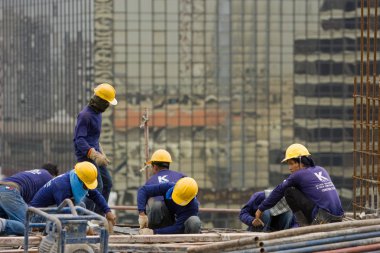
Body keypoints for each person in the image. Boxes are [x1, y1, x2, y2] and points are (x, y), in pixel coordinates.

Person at [254, 143, 344, 227]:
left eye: (292, 163)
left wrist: (260, 209)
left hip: (323, 218)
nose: (289, 168)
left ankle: (303, 225)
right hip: (339, 217)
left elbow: (279, 190)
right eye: (288, 164)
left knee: (288, 191)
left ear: (301, 161)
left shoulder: (298, 175)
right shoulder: (321, 169)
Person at [30, 161, 116, 229]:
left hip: (51, 210)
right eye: (86, 185)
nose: (87, 188)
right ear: (80, 179)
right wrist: (84, 227)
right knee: (78, 208)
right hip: (38, 216)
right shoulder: (62, 186)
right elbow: (65, 212)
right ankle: (47, 232)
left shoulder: (74, 178)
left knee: (80, 206)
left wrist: (107, 211)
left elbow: (95, 195)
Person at [73, 83, 117, 212]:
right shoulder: (85, 115)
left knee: (107, 183)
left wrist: (102, 153)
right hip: (85, 156)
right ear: (102, 102)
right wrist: (94, 154)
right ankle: (86, 216)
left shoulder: (98, 114)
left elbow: (94, 137)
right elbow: (79, 140)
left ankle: (99, 215)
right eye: (107, 102)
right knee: (96, 187)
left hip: (95, 154)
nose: (108, 105)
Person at [0, 163, 58, 235]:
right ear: (54, 175)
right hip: (9, 190)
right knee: (27, 226)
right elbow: (35, 206)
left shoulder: (37, 174)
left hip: (4, 188)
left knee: (9, 221)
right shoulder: (50, 179)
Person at [137, 177, 202, 235]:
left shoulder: (193, 206)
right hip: (166, 224)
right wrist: (142, 214)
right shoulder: (169, 187)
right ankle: (149, 233)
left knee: (194, 221)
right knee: (157, 205)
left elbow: (178, 228)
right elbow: (143, 190)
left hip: (182, 232)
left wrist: (155, 232)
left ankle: (191, 242)